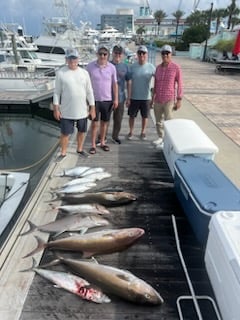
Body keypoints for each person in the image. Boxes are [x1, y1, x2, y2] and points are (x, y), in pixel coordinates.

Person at [53, 48, 95, 159]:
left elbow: (89, 91)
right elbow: (56, 92)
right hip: (67, 111)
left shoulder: (84, 73)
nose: (72, 60)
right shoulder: (61, 73)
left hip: (82, 110)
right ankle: (63, 152)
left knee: (82, 131)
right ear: (66, 59)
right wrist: (56, 109)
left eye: (74, 58)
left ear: (78, 59)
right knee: (65, 133)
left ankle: (80, 149)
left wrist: (92, 107)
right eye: (70, 58)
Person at [86, 45, 118, 154]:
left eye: (105, 54)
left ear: (108, 55)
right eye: (100, 54)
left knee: (105, 122)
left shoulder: (112, 68)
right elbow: (86, 84)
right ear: (97, 55)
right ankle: (93, 145)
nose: (103, 56)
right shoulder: (90, 67)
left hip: (107, 99)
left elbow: (114, 84)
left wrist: (116, 99)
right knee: (95, 123)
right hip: (94, 100)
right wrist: (87, 100)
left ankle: (102, 142)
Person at [151, 44, 183, 148]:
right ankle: (161, 137)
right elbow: (155, 84)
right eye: (163, 53)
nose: (165, 55)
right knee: (158, 121)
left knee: (169, 121)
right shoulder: (158, 68)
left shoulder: (176, 67)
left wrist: (179, 99)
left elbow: (180, 84)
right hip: (158, 98)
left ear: (171, 54)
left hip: (169, 99)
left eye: (167, 53)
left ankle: (168, 141)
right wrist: (152, 99)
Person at [127, 45, 155, 140]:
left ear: (146, 54)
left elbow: (158, 80)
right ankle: (131, 131)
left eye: (144, 53)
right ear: (137, 55)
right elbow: (128, 82)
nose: (142, 55)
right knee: (132, 116)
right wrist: (128, 97)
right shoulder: (132, 67)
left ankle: (143, 132)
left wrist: (154, 97)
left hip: (146, 97)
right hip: (134, 96)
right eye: (140, 53)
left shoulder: (151, 67)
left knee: (145, 116)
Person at [110, 45, 131, 144]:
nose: (117, 55)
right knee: (105, 119)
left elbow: (129, 82)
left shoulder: (125, 66)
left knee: (118, 119)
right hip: (108, 97)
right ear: (112, 53)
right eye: (116, 53)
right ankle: (101, 136)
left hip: (121, 97)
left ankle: (115, 136)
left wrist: (129, 97)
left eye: (119, 53)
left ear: (122, 55)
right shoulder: (108, 65)